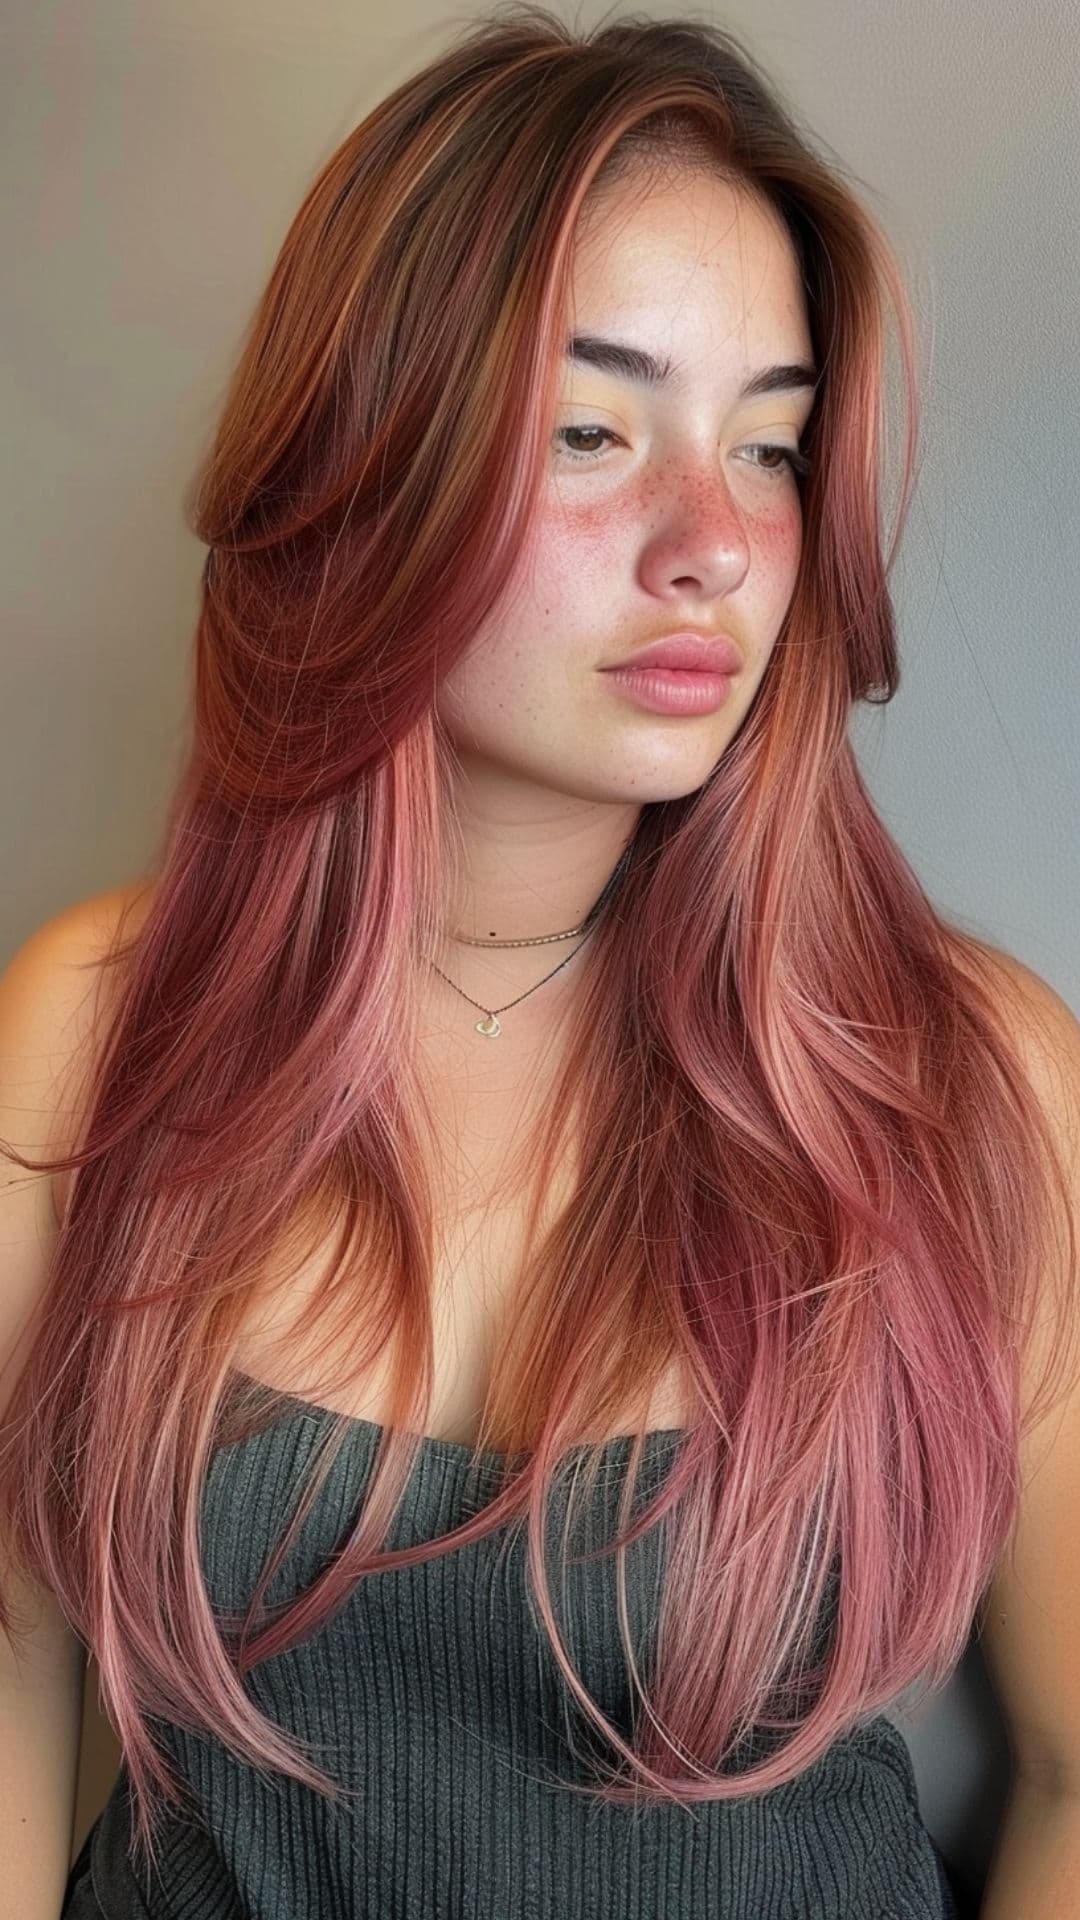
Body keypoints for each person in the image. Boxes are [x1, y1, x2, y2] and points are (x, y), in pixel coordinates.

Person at [1, 8, 1078, 1916]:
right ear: (371, 457)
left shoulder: (966, 1078)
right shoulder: (97, 1032)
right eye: (595, 432)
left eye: (770, 444)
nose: (715, 548)